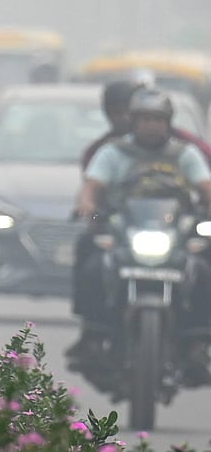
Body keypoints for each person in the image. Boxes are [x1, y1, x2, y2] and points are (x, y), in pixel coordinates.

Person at [69, 88, 211, 382]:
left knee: (204, 268)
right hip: (124, 234)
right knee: (91, 257)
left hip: (177, 236)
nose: (152, 126)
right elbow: (92, 188)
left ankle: (198, 340)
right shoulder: (113, 152)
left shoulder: (184, 154)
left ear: (168, 122)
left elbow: (205, 186)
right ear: (133, 122)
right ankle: (94, 333)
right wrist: (88, 207)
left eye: (158, 119)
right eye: (145, 119)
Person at [80, 80, 211, 172]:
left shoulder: (184, 148)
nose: (124, 119)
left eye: (155, 119)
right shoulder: (104, 152)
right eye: (117, 113)